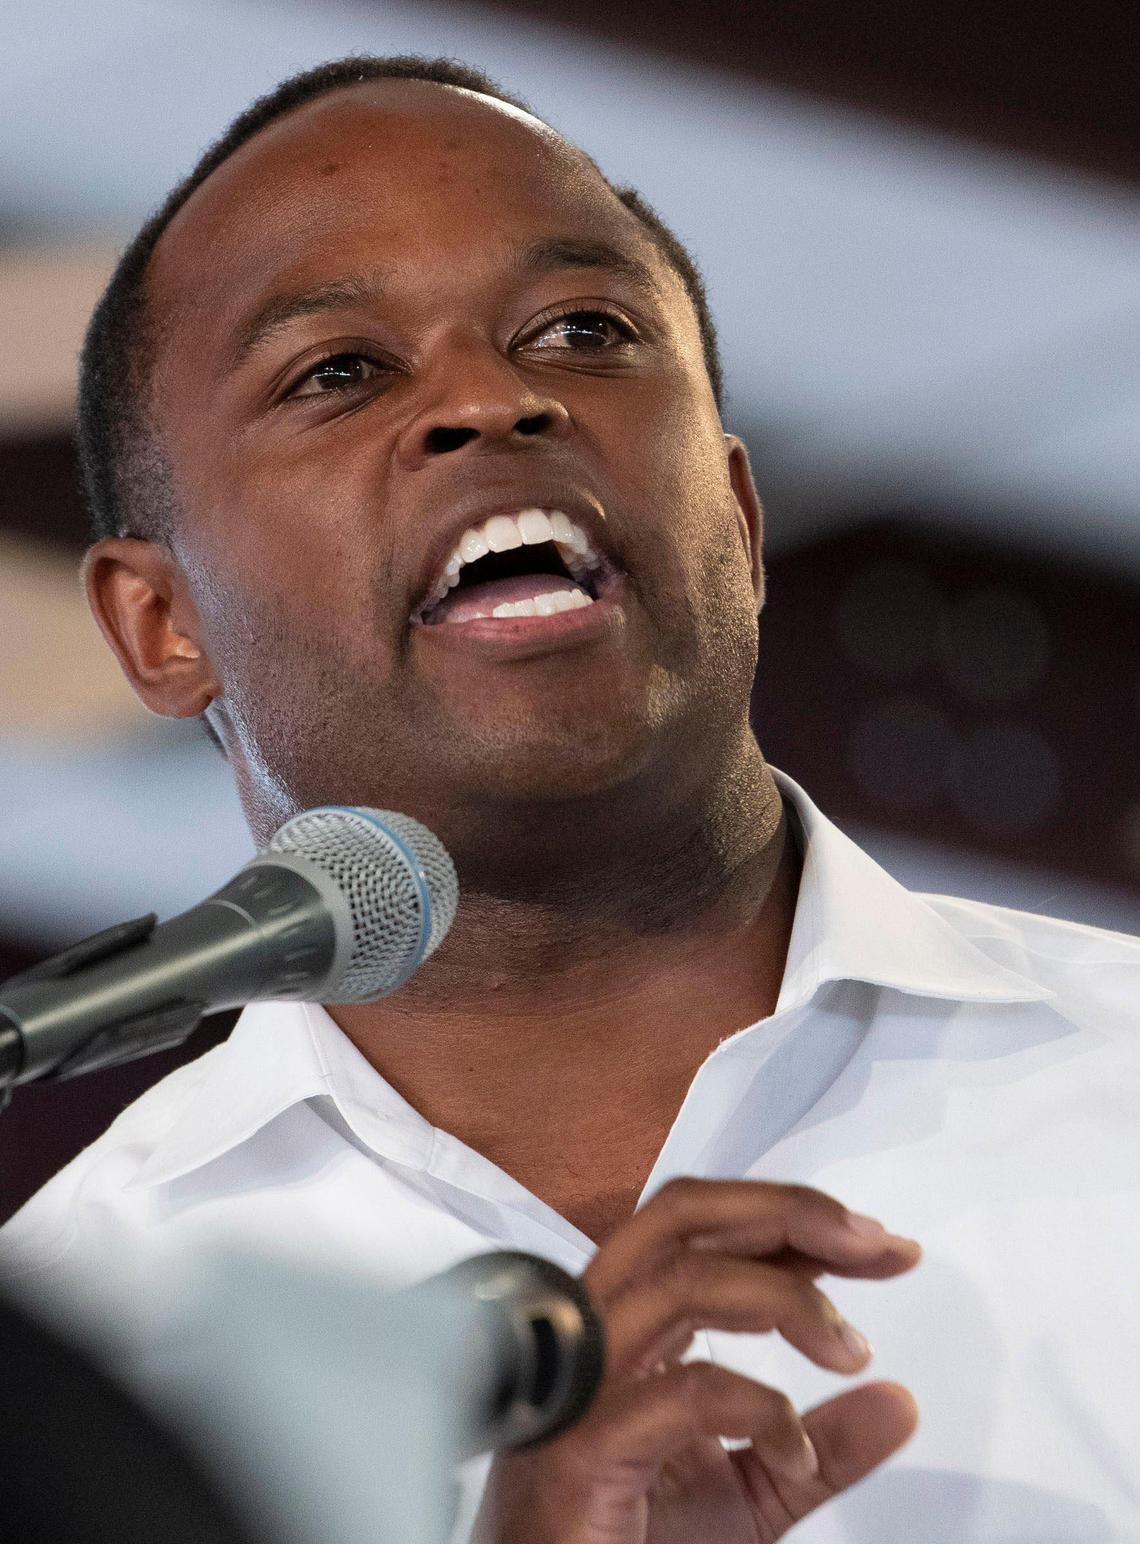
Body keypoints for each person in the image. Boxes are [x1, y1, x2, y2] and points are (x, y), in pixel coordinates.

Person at [1, 54, 1136, 1543]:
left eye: (584, 331)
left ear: (733, 512)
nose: (490, 397)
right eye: (338, 370)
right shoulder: (87, 1335)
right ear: (161, 627)